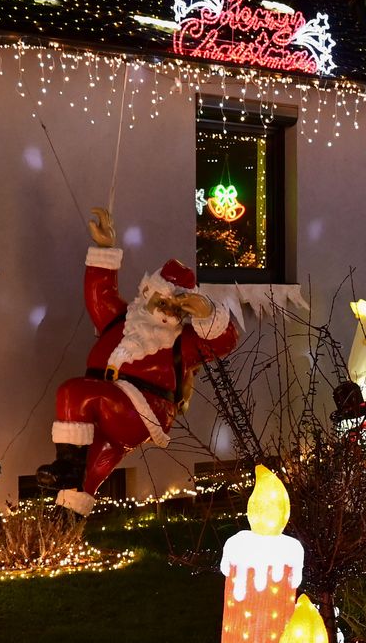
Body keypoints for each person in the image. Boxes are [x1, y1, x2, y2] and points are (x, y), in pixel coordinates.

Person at [39, 207, 240, 514]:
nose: (169, 312)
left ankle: (65, 467)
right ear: (148, 293)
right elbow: (100, 292)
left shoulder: (182, 344)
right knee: (89, 471)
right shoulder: (119, 320)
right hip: (105, 409)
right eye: (162, 302)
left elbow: (224, 341)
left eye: (177, 308)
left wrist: (208, 313)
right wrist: (105, 248)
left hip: (142, 410)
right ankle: (64, 520)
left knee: (72, 392)